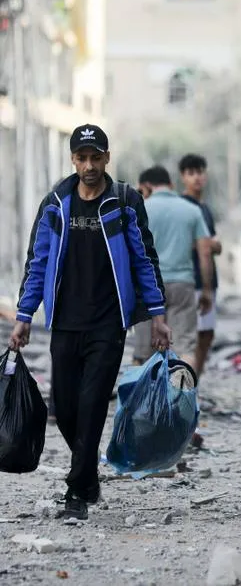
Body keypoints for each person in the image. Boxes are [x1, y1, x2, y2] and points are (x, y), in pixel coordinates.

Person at [9, 124, 171, 521]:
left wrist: (157, 316)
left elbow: (144, 259)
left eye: (95, 157)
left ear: (107, 158)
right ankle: (88, 473)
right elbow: (38, 262)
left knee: (93, 403)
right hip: (64, 322)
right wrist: (24, 316)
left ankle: (77, 491)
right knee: (64, 409)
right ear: (73, 160)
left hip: (107, 323)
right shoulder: (56, 203)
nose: (89, 166)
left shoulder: (125, 201)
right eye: (81, 158)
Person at [134, 166, 213, 374]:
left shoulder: (139, 209)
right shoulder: (191, 210)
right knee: (185, 348)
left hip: (147, 286)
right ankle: (183, 400)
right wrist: (206, 289)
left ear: (147, 186)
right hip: (182, 284)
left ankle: (144, 404)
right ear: (170, 184)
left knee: (143, 353)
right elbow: (205, 253)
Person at [179, 154, 222, 375]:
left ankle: (194, 383)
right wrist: (206, 244)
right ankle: (184, 386)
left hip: (209, 279)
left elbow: (215, 245)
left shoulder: (205, 208)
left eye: (200, 172)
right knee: (190, 337)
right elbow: (194, 243)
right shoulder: (182, 206)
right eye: (191, 173)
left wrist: (208, 244)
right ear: (183, 177)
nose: (197, 177)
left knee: (207, 334)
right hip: (191, 280)